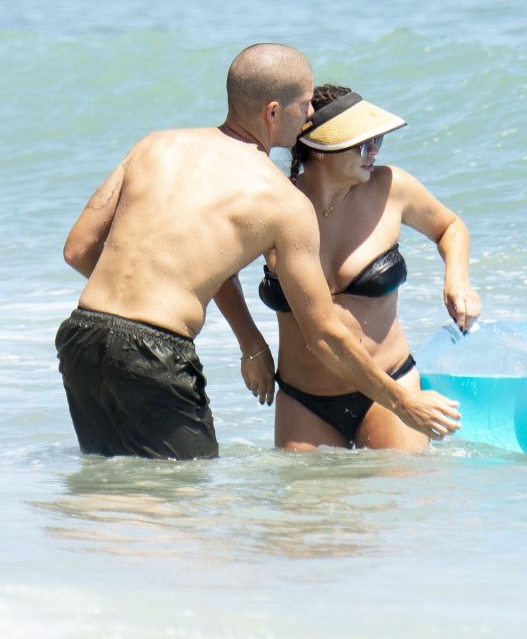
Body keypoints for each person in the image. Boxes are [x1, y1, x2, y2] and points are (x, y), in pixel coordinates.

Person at [55, 44, 461, 460]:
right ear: (273, 113)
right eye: (305, 104)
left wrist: (138, 303)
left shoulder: (155, 145)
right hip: (157, 350)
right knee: (183, 489)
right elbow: (323, 335)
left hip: (81, 336)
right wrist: (403, 402)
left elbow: (78, 249)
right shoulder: (279, 199)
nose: (310, 115)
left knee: (110, 484)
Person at [257, 84, 481, 452]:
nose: (374, 151)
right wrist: (251, 346)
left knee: (403, 489)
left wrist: (458, 279)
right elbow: (216, 269)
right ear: (322, 149)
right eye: (363, 144)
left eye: (378, 140)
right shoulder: (274, 206)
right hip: (304, 399)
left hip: (392, 385)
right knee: (303, 494)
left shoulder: (391, 188)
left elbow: (450, 227)